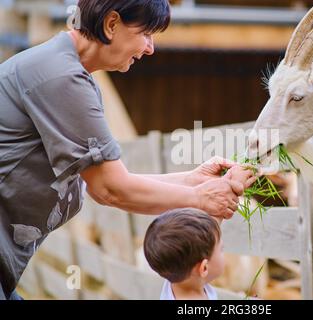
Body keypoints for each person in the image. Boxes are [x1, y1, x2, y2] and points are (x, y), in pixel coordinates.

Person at [0, 0, 255, 300]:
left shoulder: (71, 75)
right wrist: (201, 198)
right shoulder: (59, 77)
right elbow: (111, 189)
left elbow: (102, 181)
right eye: (146, 34)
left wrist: (194, 180)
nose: (150, 48)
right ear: (111, 24)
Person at [144, 165, 252, 300]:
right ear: (204, 268)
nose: (222, 251)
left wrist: (232, 184)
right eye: (221, 250)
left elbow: (210, 229)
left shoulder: (177, 275)